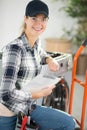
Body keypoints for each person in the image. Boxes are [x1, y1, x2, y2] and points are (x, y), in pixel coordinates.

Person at [0, 0, 76, 130]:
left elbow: (40, 53)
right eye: (34, 18)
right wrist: (37, 94)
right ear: (26, 19)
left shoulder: (35, 43)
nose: (39, 24)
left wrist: (49, 60)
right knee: (68, 123)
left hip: (26, 106)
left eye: (43, 19)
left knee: (67, 122)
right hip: (8, 111)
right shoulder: (14, 49)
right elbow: (6, 94)